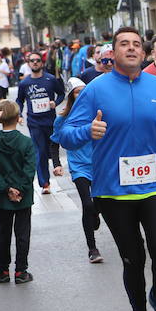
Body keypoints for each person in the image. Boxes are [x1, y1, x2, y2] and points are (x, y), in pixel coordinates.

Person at [56, 27, 156, 311]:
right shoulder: (96, 90)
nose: (131, 49)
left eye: (136, 45)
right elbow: (65, 134)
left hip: (155, 184)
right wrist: (88, 129)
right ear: (113, 53)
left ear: (143, 54)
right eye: (123, 44)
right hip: (113, 191)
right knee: (132, 259)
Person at [51, 77, 104, 264]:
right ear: (71, 96)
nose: (82, 94)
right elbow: (54, 143)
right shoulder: (63, 119)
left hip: (98, 164)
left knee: (98, 204)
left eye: (84, 91)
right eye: (77, 92)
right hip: (78, 165)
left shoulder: (96, 113)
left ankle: (95, 214)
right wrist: (56, 163)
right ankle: (92, 248)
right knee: (87, 204)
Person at [0, 100, 37, 284]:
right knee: (23, 234)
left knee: (4, 233)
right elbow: (30, 169)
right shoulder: (26, 142)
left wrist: (6, 188)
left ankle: (3, 270)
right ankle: (21, 271)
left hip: (3, 196)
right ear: (17, 117)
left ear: (0, 119)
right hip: (23, 197)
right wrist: (20, 189)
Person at [16, 50, 65, 194]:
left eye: (37, 60)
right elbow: (20, 100)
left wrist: (55, 103)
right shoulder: (24, 83)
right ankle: (45, 183)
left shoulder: (50, 79)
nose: (35, 62)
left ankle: (56, 166)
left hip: (50, 121)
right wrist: (19, 114)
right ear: (28, 63)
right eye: (32, 60)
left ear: (42, 63)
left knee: (52, 148)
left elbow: (62, 94)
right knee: (40, 151)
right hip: (34, 122)